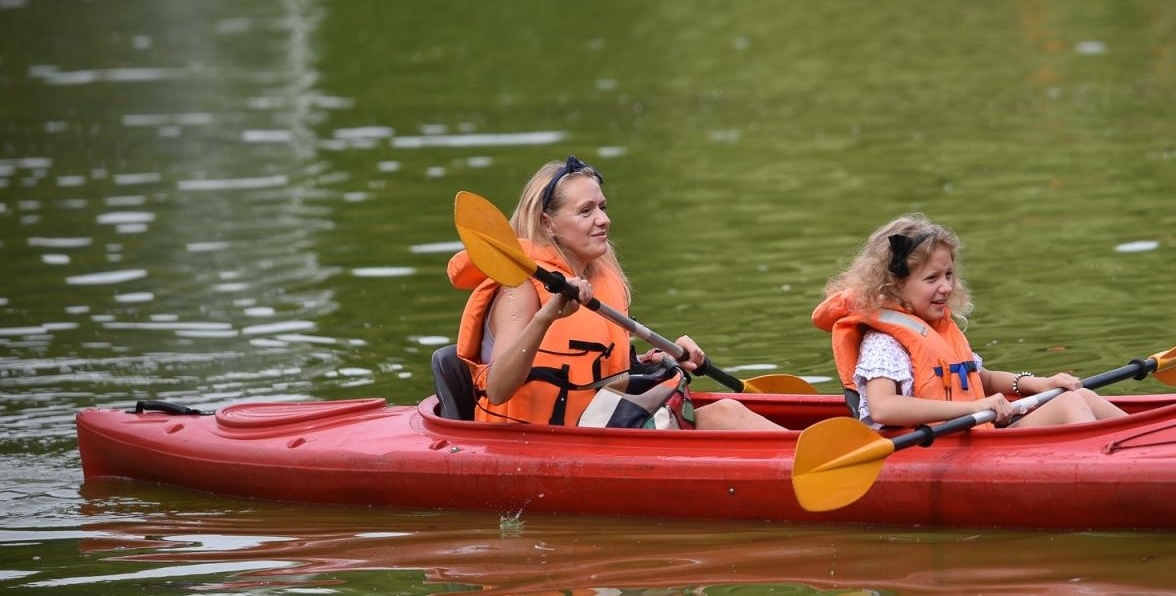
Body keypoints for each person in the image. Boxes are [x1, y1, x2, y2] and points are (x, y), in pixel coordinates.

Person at [448, 155, 781, 430]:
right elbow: (498, 389)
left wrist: (657, 359)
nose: (603, 219)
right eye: (586, 211)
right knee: (725, 415)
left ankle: (803, 456)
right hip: (535, 443)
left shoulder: (599, 278)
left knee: (726, 411)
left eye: (602, 207)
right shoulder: (518, 290)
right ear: (547, 223)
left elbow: (600, 369)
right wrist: (546, 316)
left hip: (600, 426)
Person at [812, 214, 1126, 430]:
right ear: (894, 286)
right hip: (937, 448)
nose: (946, 287)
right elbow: (884, 408)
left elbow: (981, 378)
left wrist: (1039, 384)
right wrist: (973, 408)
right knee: (1069, 406)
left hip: (975, 439)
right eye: (932, 278)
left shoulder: (938, 330)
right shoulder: (883, 343)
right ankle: (1109, 468)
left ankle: (1143, 451)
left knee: (1080, 395)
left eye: (949, 275)